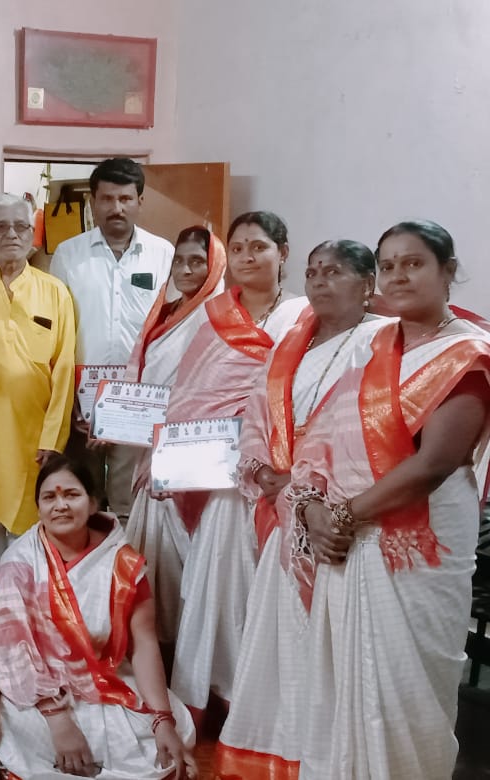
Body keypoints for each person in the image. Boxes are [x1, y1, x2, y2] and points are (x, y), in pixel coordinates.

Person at [286, 221, 490, 779]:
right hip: (345, 539)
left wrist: (342, 515)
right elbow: (321, 442)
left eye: (414, 263)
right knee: (343, 679)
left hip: (418, 539)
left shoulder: (465, 355)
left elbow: (433, 465)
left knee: (406, 681)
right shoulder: (373, 346)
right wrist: (312, 510)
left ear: (448, 271)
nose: (398, 275)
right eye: (389, 265)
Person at [213, 240, 383, 778]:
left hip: (343, 517)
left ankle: (331, 758)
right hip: (287, 512)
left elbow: (372, 434)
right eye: (312, 272)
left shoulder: (382, 342)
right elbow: (256, 419)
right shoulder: (291, 347)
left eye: (334, 272)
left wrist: (308, 487)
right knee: (283, 639)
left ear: (367, 284)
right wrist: (266, 474)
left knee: (335, 647)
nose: (319, 281)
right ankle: (281, 752)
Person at [158, 212, 308, 728]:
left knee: (270, 579)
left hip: (278, 469)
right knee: (219, 575)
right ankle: (214, 688)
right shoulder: (215, 314)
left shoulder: (303, 315)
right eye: (238, 248)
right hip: (220, 474)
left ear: (282, 252)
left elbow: (305, 390)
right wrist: (169, 463)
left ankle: (263, 697)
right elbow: (190, 393)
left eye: (258, 247)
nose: (246, 256)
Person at [0, 454, 196, 779]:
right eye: (49, 497)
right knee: (9, 726)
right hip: (41, 695)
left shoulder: (122, 562)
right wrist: (58, 721)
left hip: (108, 680)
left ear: (93, 503)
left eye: (71, 495)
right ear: (38, 507)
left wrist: (161, 719)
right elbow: (12, 655)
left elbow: (143, 645)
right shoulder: (19, 563)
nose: (60, 506)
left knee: (176, 726)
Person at [0, 194, 77, 575]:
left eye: (21, 226)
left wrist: (53, 438)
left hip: (33, 438)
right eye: (0, 227)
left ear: (33, 235)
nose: (11, 234)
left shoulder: (55, 291)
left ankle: (23, 601)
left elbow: (65, 369)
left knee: (29, 538)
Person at [50, 158, 174, 520]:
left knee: (128, 500)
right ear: (93, 202)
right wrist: (68, 399)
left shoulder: (163, 254)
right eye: (106, 199)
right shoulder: (68, 254)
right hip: (81, 403)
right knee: (80, 496)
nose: (116, 208)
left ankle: (125, 556)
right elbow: (59, 329)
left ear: (140, 201)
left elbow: (170, 327)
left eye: (125, 199)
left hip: (139, 400)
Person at [122, 226, 226, 645]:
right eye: (179, 261)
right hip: (149, 443)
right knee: (151, 552)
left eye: (197, 262)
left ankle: (182, 645)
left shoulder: (218, 318)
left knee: (183, 552)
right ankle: (150, 638)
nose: (185, 270)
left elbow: (207, 392)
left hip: (185, 453)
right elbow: (144, 373)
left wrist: (167, 447)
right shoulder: (165, 313)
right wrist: (114, 419)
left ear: (214, 265)